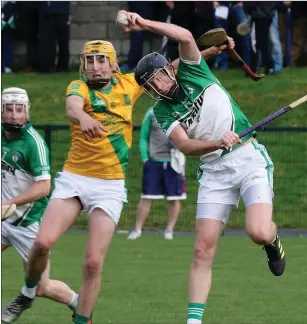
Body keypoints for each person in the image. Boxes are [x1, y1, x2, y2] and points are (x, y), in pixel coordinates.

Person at [5, 37, 236, 324]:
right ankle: (29, 292)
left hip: (110, 184)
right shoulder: (78, 87)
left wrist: (209, 51)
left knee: (93, 262)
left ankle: (83, 320)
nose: (95, 66)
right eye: (90, 61)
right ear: (83, 66)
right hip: (75, 178)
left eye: (101, 60)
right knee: (41, 243)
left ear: (113, 64)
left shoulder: (129, 84)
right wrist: (83, 118)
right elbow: (72, 107)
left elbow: (171, 67)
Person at [119, 10, 286, 324]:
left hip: (248, 158)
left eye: (158, 75)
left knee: (258, 231)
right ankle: (193, 322)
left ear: (169, 69)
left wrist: (145, 24)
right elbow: (184, 146)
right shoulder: (161, 112)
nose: (158, 84)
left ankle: (273, 241)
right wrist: (216, 143)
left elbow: (183, 35)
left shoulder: (193, 70)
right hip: (214, 170)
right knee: (202, 251)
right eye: (150, 83)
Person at [1, 87, 79, 323]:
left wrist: (9, 203)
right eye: (9, 109)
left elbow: (44, 187)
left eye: (19, 109)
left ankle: (80, 304)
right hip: (4, 219)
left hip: (30, 223)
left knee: (42, 288)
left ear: (27, 112)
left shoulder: (34, 143)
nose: (14, 115)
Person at [127, 106, 186, 240]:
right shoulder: (152, 112)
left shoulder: (182, 112)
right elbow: (143, 136)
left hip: (175, 162)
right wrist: (145, 159)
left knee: (175, 198)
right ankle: (137, 229)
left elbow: (190, 135)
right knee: (146, 197)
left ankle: (169, 231)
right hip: (154, 161)